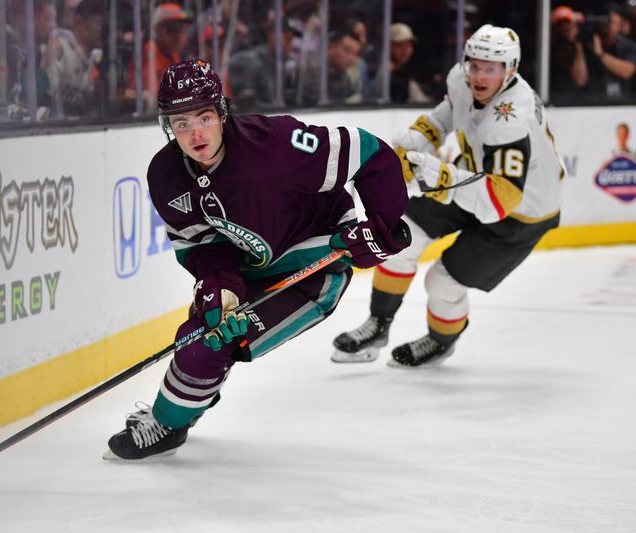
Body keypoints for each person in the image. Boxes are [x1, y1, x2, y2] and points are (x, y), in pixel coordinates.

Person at [104, 59, 411, 460]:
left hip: (315, 265)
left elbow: (368, 152)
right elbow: (201, 246)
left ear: (222, 112)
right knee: (202, 338)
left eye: (204, 117)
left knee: (225, 343)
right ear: (167, 127)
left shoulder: (276, 145)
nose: (195, 133)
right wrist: (218, 285)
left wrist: (382, 227)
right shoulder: (166, 176)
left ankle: (173, 415)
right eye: (181, 123)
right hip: (249, 264)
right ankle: (177, 416)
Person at [332, 24, 563, 367]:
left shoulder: (512, 118)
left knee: (443, 282)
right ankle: (378, 325)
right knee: (401, 237)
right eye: (475, 64)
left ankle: (441, 340)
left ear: (510, 70)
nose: (479, 75)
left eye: (491, 68)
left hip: (521, 211)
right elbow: (447, 113)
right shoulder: (463, 77)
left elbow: (497, 201)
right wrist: (413, 142)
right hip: (473, 179)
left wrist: (433, 171)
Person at [127, 2, 193, 110]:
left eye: (182, 29)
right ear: (157, 30)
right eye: (172, 28)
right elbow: (153, 99)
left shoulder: (174, 54)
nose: (178, 35)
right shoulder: (151, 51)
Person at [367, 23, 430, 104]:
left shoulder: (408, 70)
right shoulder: (378, 68)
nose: (405, 50)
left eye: (409, 45)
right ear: (389, 46)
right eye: (399, 45)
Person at [586, 3, 636, 101]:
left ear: (622, 24)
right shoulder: (588, 42)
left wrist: (601, 55)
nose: (610, 26)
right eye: (607, 21)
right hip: (589, 101)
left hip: (624, 101)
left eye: (615, 23)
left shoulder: (628, 45)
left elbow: (627, 71)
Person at [549, 5, 589, 102]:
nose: (565, 27)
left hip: (580, 99)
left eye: (568, 22)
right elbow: (580, 80)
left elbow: (581, 80)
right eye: (560, 24)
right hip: (556, 98)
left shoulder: (581, 45)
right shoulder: (548, 50)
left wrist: (576, 42)